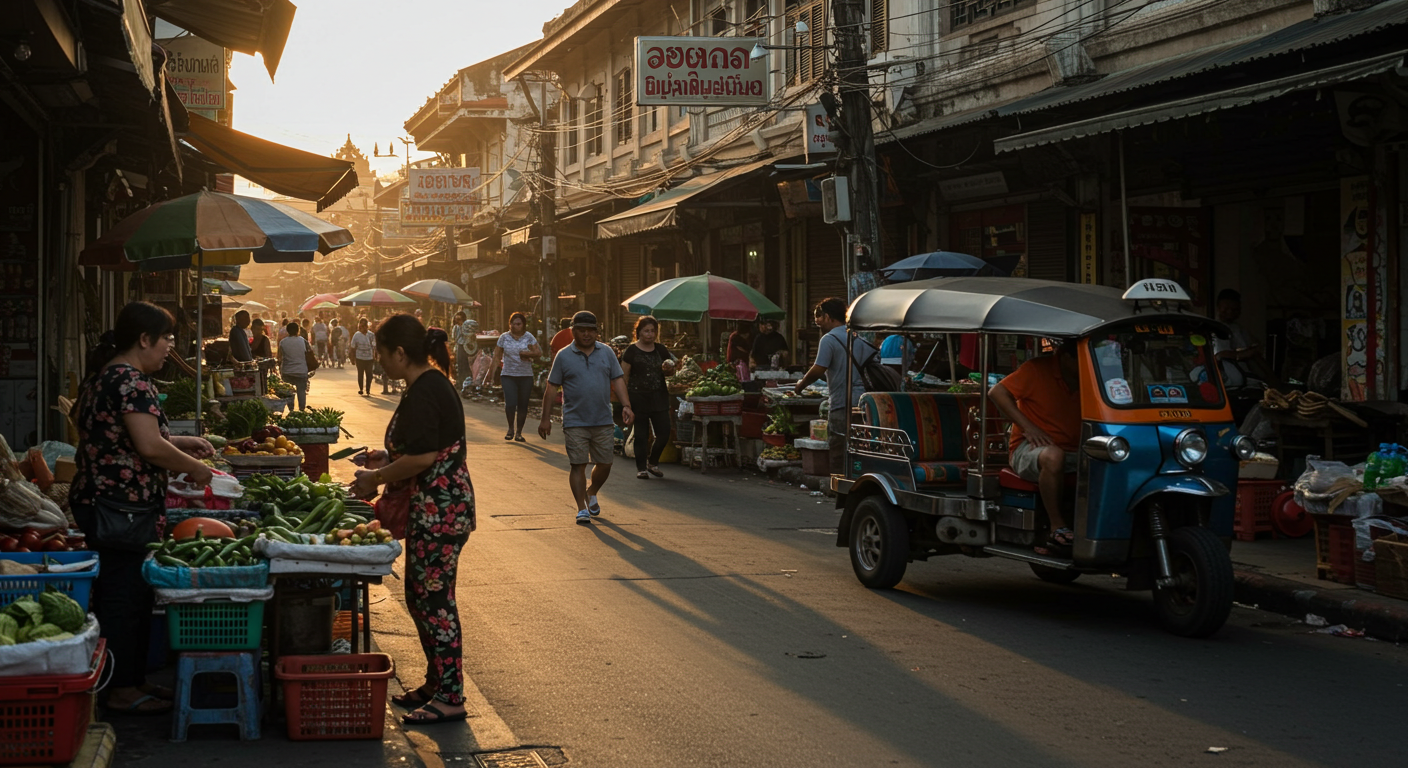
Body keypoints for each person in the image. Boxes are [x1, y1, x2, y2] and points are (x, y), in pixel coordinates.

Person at [69, 302, 214, 716]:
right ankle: (120, 690)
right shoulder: (131, 382)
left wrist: (181, 445)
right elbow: (148, 447)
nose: (171, 346)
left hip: (106, 503)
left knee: (129, 595)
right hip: (120, 509)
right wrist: (197, 469)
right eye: (166, 337)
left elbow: (129, 437)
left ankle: (132, 680)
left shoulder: (107, 376)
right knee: (123, 600)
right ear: (144, 339)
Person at [348, 315, 474, 726]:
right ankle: (437, 683)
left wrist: (377, 478)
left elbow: (422, 458)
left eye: (383, 356)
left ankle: (451, 694)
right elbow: (424, 449)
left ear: (400, 353)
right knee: (421, 597)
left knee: (434, 600)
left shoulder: (426, 389)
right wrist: (388, 460)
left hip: (441, 509)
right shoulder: (424, 385)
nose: (380, 363)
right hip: (433, 506)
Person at [538, 311, 633, 525]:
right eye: (582, 330)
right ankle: (581, 508)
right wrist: (545, 419)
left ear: (597, 332)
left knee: (605, 463)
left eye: (591, 330)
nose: (587, 334)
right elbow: (552, 388)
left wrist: (626, 405)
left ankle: (592, 491)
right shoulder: (563, 355)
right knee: (578, 464)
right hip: (575, 420)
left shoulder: (607, 353)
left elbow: (617, 380)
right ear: (573, 331)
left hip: (603, 419)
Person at [988, 342, 1081, 556]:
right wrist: (1029, 428)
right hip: (1030, 449)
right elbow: (997, 392)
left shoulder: (1092, 374)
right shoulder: (1036, 370)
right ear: (1065, 357)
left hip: (1077, 450)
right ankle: (1057, 526)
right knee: (1053, 455)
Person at [792, 297, 867, 474]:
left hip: (842, 402)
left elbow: (819, 368)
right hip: (864, 402)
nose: (818, 323)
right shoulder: (858, 337)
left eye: (819, 318)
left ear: (827, 316)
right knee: (860, 448)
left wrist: (800, 386)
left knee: (839, 449)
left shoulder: (829, 339)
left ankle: (840, 489)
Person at [620, 315, 677, 480]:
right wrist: (626, 402)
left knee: (664, 432)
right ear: (638, 332)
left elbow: (670, 371)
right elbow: (624, 377)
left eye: (653, 331)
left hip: (659, 397)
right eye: (646, 331)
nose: (650, 334)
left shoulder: (661, 349)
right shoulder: (631, 351)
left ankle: (653, 462)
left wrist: (669, 369)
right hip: (638, 398)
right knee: (641, 435)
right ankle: (641, 468)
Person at [493, 312, 541, 441]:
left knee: (523, 404)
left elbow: (538, 352)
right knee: (510, 403)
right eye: (513, 324)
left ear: (523, 325)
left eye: (518, 324)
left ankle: (519, 432)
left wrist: (527, 353)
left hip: (525, 375)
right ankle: (510, 429)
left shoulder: (529, 337)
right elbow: (497, 355)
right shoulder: (504, 337)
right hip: (508, 374)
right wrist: (492, 373)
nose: (515, 326)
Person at [1212, 289, 1268, 390]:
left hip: (1248, 376)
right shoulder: (1215, 328)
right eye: (1226, 308)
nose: (1230, 312)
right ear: (1218, 307)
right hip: (1230, 379)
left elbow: (1254, 347)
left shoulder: (1238, 328)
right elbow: (1221, 355)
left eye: (1234, 310)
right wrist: (1244, 354)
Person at [278, 321, 312, 410]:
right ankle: (301, 410)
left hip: (287, 371)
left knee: (289, 392)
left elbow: (279, 358)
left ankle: (291, 410)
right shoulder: (303, 341)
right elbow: (309, 354)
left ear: (287, 331)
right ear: (298, 330)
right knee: (301, 391)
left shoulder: (283, 342)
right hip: (301, 371)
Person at [352, 317, 377, 395]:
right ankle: (361, 389)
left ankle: (368, 389)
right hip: (359, 357)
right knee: (360, 374)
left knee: (369, 374)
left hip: (369, 358)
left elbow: (374, 346)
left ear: (367, 326)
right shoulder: (356, 335)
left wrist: (375, 356)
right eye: (361, 326)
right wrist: (352, 358)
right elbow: (353, 347)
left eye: (365, 326)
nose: (363, 328)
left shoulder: (371, 335)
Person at [450, 311, 469, 382]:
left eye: (459, 319)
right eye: (456, 320)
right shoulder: (455, 328)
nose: (458, 321)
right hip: (459, 346)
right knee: (460, 363)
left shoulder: (466, 327)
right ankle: (461, 380)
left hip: (466, 346)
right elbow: (454, 338)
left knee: (466, 364)